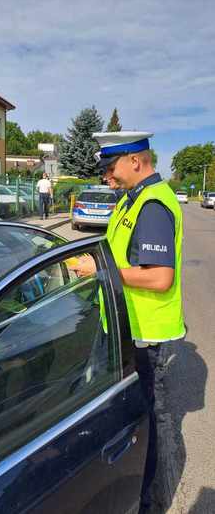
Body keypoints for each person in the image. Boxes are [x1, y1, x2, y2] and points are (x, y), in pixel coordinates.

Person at [72, 131, 185, 513]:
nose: (107, 175)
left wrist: (101, 270)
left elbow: (159, 277)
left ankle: (152, 502)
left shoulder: (152, 205)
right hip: (125, 326)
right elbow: (115, 249)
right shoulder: (130, 200)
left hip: (145, 333)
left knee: (153, 423)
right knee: (129, 414)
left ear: (136, 161)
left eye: (111, 167)